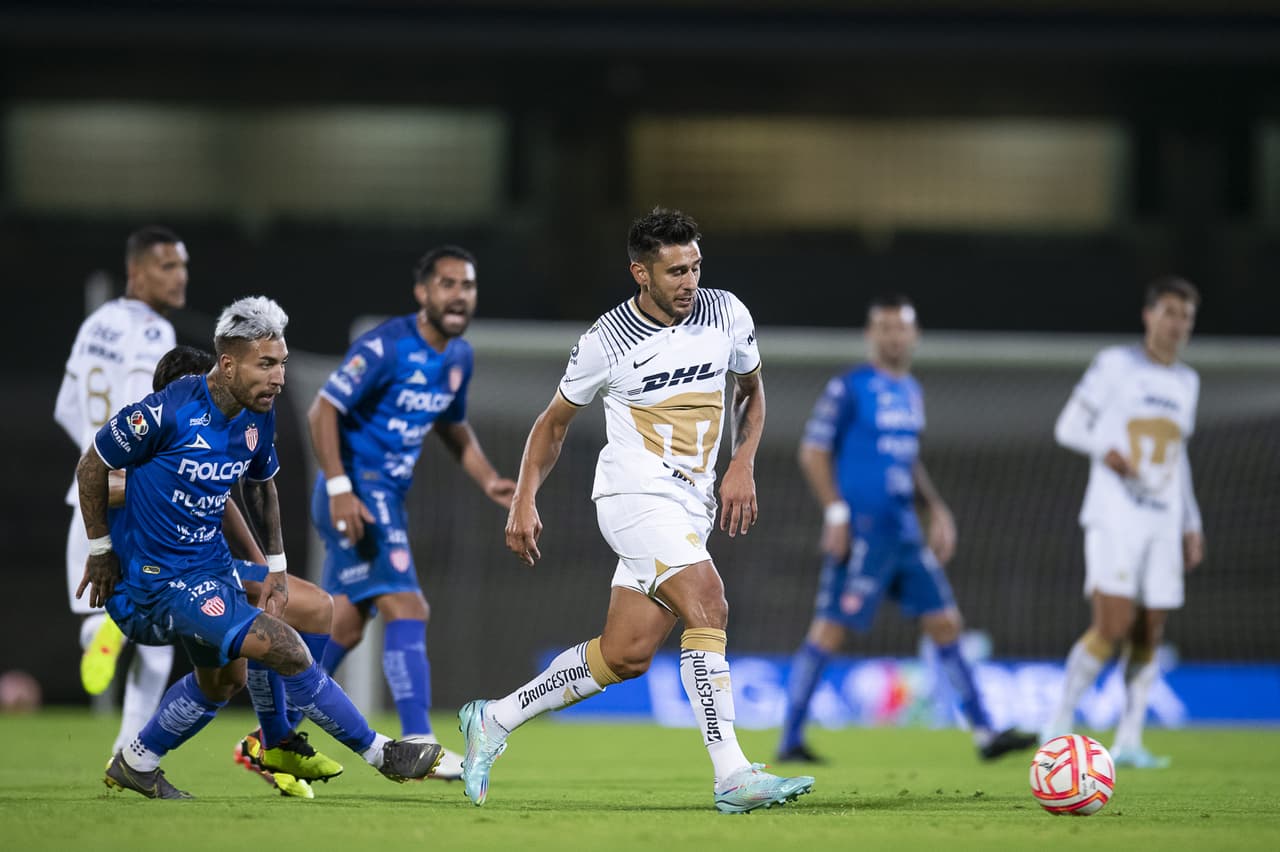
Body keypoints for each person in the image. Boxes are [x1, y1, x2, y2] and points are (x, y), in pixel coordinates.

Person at [459, 207, 815, 814]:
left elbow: (752, 393)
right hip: (632, 496)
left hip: (691, 503)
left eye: (696, 266)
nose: (690, 281)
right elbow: (552, 425)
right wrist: (523, 497)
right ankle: (732, 774)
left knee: (624, 654)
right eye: (675, 270)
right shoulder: (606, 341)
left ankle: (492, 719)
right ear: (640, 273)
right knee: (709, 601)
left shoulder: (728, 313)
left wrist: (743, 461)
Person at [77, 296, 443, 798]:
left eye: (282, 364)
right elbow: (92, 466)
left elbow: (259, 484)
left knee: (228, 680)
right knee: (285, 644)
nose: (279, 377)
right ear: (227, 364)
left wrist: (275, 565)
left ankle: (138, 761)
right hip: (160, 583)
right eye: (267, 364)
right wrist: (99, 549)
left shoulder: (255, 416)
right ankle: (382, 753)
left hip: (211, 568)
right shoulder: (168, 412)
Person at [776, 294, 1037, 764]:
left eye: (902, 328)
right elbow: (812, 451)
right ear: (870, 335)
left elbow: (907, 460)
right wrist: (835, 513)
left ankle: (985, 733)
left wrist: (936, 508)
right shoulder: (850, 387)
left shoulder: (911, 391)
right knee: (830, 630)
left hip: (904, 531)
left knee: (946, 622)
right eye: (885, 328)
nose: (894, 336)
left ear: (914, 336)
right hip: (863, 532)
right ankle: (790, 739)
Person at [308, 246, 515, 781]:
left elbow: (452, 425)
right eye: (447, 284)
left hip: (383, 497)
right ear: (423, 293)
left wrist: (488, 476)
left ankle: (272, 730)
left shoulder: (457, 357)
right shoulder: (386, 346)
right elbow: (323, 409)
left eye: (467, 285)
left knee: (346, 626)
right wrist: (338, 487)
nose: (459, 295)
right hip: (356, 491)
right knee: (409, 606)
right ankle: (420, 740)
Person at [145, 345, 342, 799]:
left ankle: (271, 739)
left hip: (211, 566)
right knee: (232, 672)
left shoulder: (217, 436)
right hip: (170, 574)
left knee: (302, 616)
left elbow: (226, 501)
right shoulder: (151, 437)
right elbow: (109, 482)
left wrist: (264, 565)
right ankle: (277, 743)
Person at [1042, 277, 1204, 769]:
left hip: (1164, 519)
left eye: (1186, 317)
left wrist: (1191, 522)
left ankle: (1129, 739)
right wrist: (1104, 451)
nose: (1177, 324)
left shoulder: (1187, 382)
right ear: (1148, 315)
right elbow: (1067, 426)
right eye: (1170, 312)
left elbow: (1180, 459)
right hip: (1114, 514)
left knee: (1150, 628)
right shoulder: (1115, 365)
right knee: (1112, 622)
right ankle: (1058, 724)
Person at [54, 225, 187, 758]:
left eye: (182, 266)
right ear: (136, 271)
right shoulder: (155, 333)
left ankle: (101, 638)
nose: (180, 277)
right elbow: (141, 410)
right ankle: (126, 749)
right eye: (168, 266)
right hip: (132, 491)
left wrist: (93, 460)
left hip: (83, 493)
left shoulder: (96, 323)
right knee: (156, 643)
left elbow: (66, 407)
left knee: (93, 609)